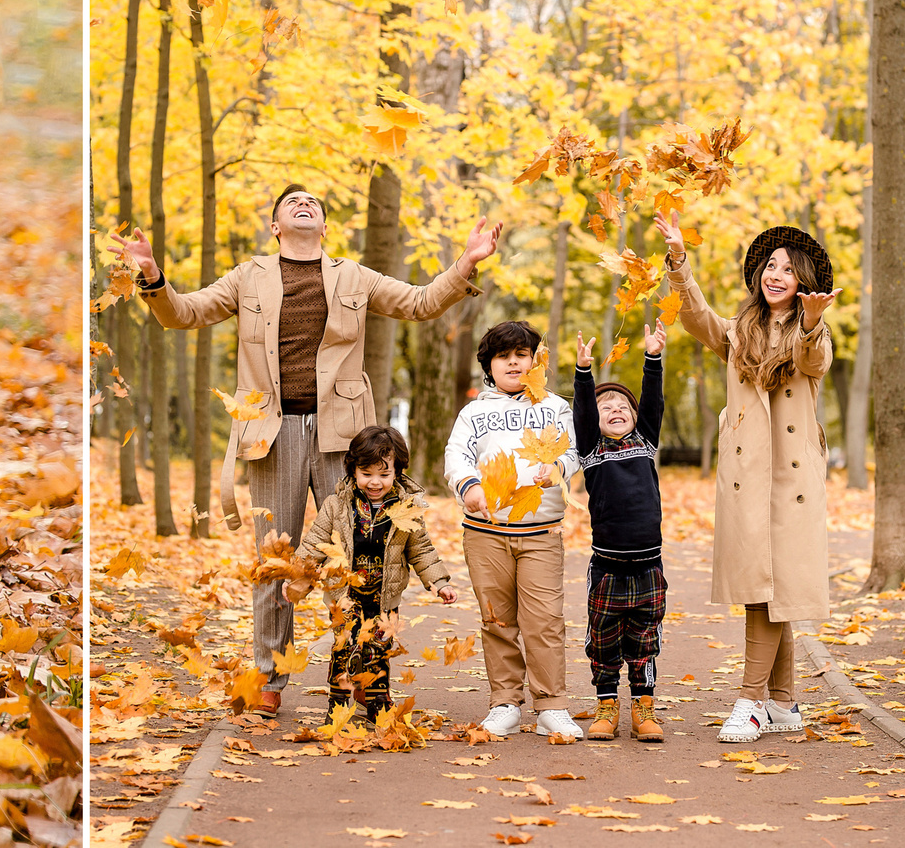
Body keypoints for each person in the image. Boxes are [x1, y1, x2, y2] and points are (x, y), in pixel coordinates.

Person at [126, 184, 500, 713]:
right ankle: (270, 677)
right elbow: (182, 313)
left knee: (350, 558)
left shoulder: (353, 276)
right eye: (291, 203)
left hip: (344, 437)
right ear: (275, 225)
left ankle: (356, 669)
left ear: (325, 226)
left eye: (315, 205)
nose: (305, 206)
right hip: (270, 433)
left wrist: (465, 262)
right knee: (275, 559)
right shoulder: (247, 276)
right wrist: (152, 276)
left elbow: (419, 303)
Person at [658, 218, 836, 744]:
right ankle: (782, 700)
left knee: (771, 583)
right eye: (770, 266)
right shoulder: (739, 331)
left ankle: (750, 700)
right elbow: (695, 318)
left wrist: (809, 322)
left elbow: (813, 360)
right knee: (766, 582)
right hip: (747, 472)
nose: (776, 274)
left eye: (788, 268)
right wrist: (678, 262)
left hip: (792, 476)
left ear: (803, 280)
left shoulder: (814, 330)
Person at [444, 320, 583, 739]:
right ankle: (504, 701)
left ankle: (551, 705)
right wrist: (466, 486)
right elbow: (457, 455)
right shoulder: (473, 412)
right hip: (485, 531)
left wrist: (557, 467)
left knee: (544, 620)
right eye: (504, 356)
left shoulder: (556, 408)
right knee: (497, 620)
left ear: (534, 361)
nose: (513, 363)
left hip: (541, 531)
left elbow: (575, 450)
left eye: (522, 355)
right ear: (489, 364)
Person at [289, 425, 455, 726]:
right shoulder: (337, 506)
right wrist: (298, 574)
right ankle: (338, 705)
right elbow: (315, 542)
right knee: (343, 648)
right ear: (353, 470)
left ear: (398, 472)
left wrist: (439, 582)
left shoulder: (407, 509)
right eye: (366, 473)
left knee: (377, 651)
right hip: (345, 596)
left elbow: (420, 549)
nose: (375, 482)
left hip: (383, 598)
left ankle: (377, 703)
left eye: (384, 474)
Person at [572, 321, 669, 743]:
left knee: (645, 640)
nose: (615, 410)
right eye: (605, 406)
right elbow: (582, 411)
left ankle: (643, 705)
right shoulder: (592, 451)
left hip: (649, 568)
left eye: (622, 407)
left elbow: (652, 403)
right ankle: (607, 704)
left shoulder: (645, 442)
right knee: (604, 640)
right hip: (607, 569)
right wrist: (583, 372)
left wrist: (653, 359)